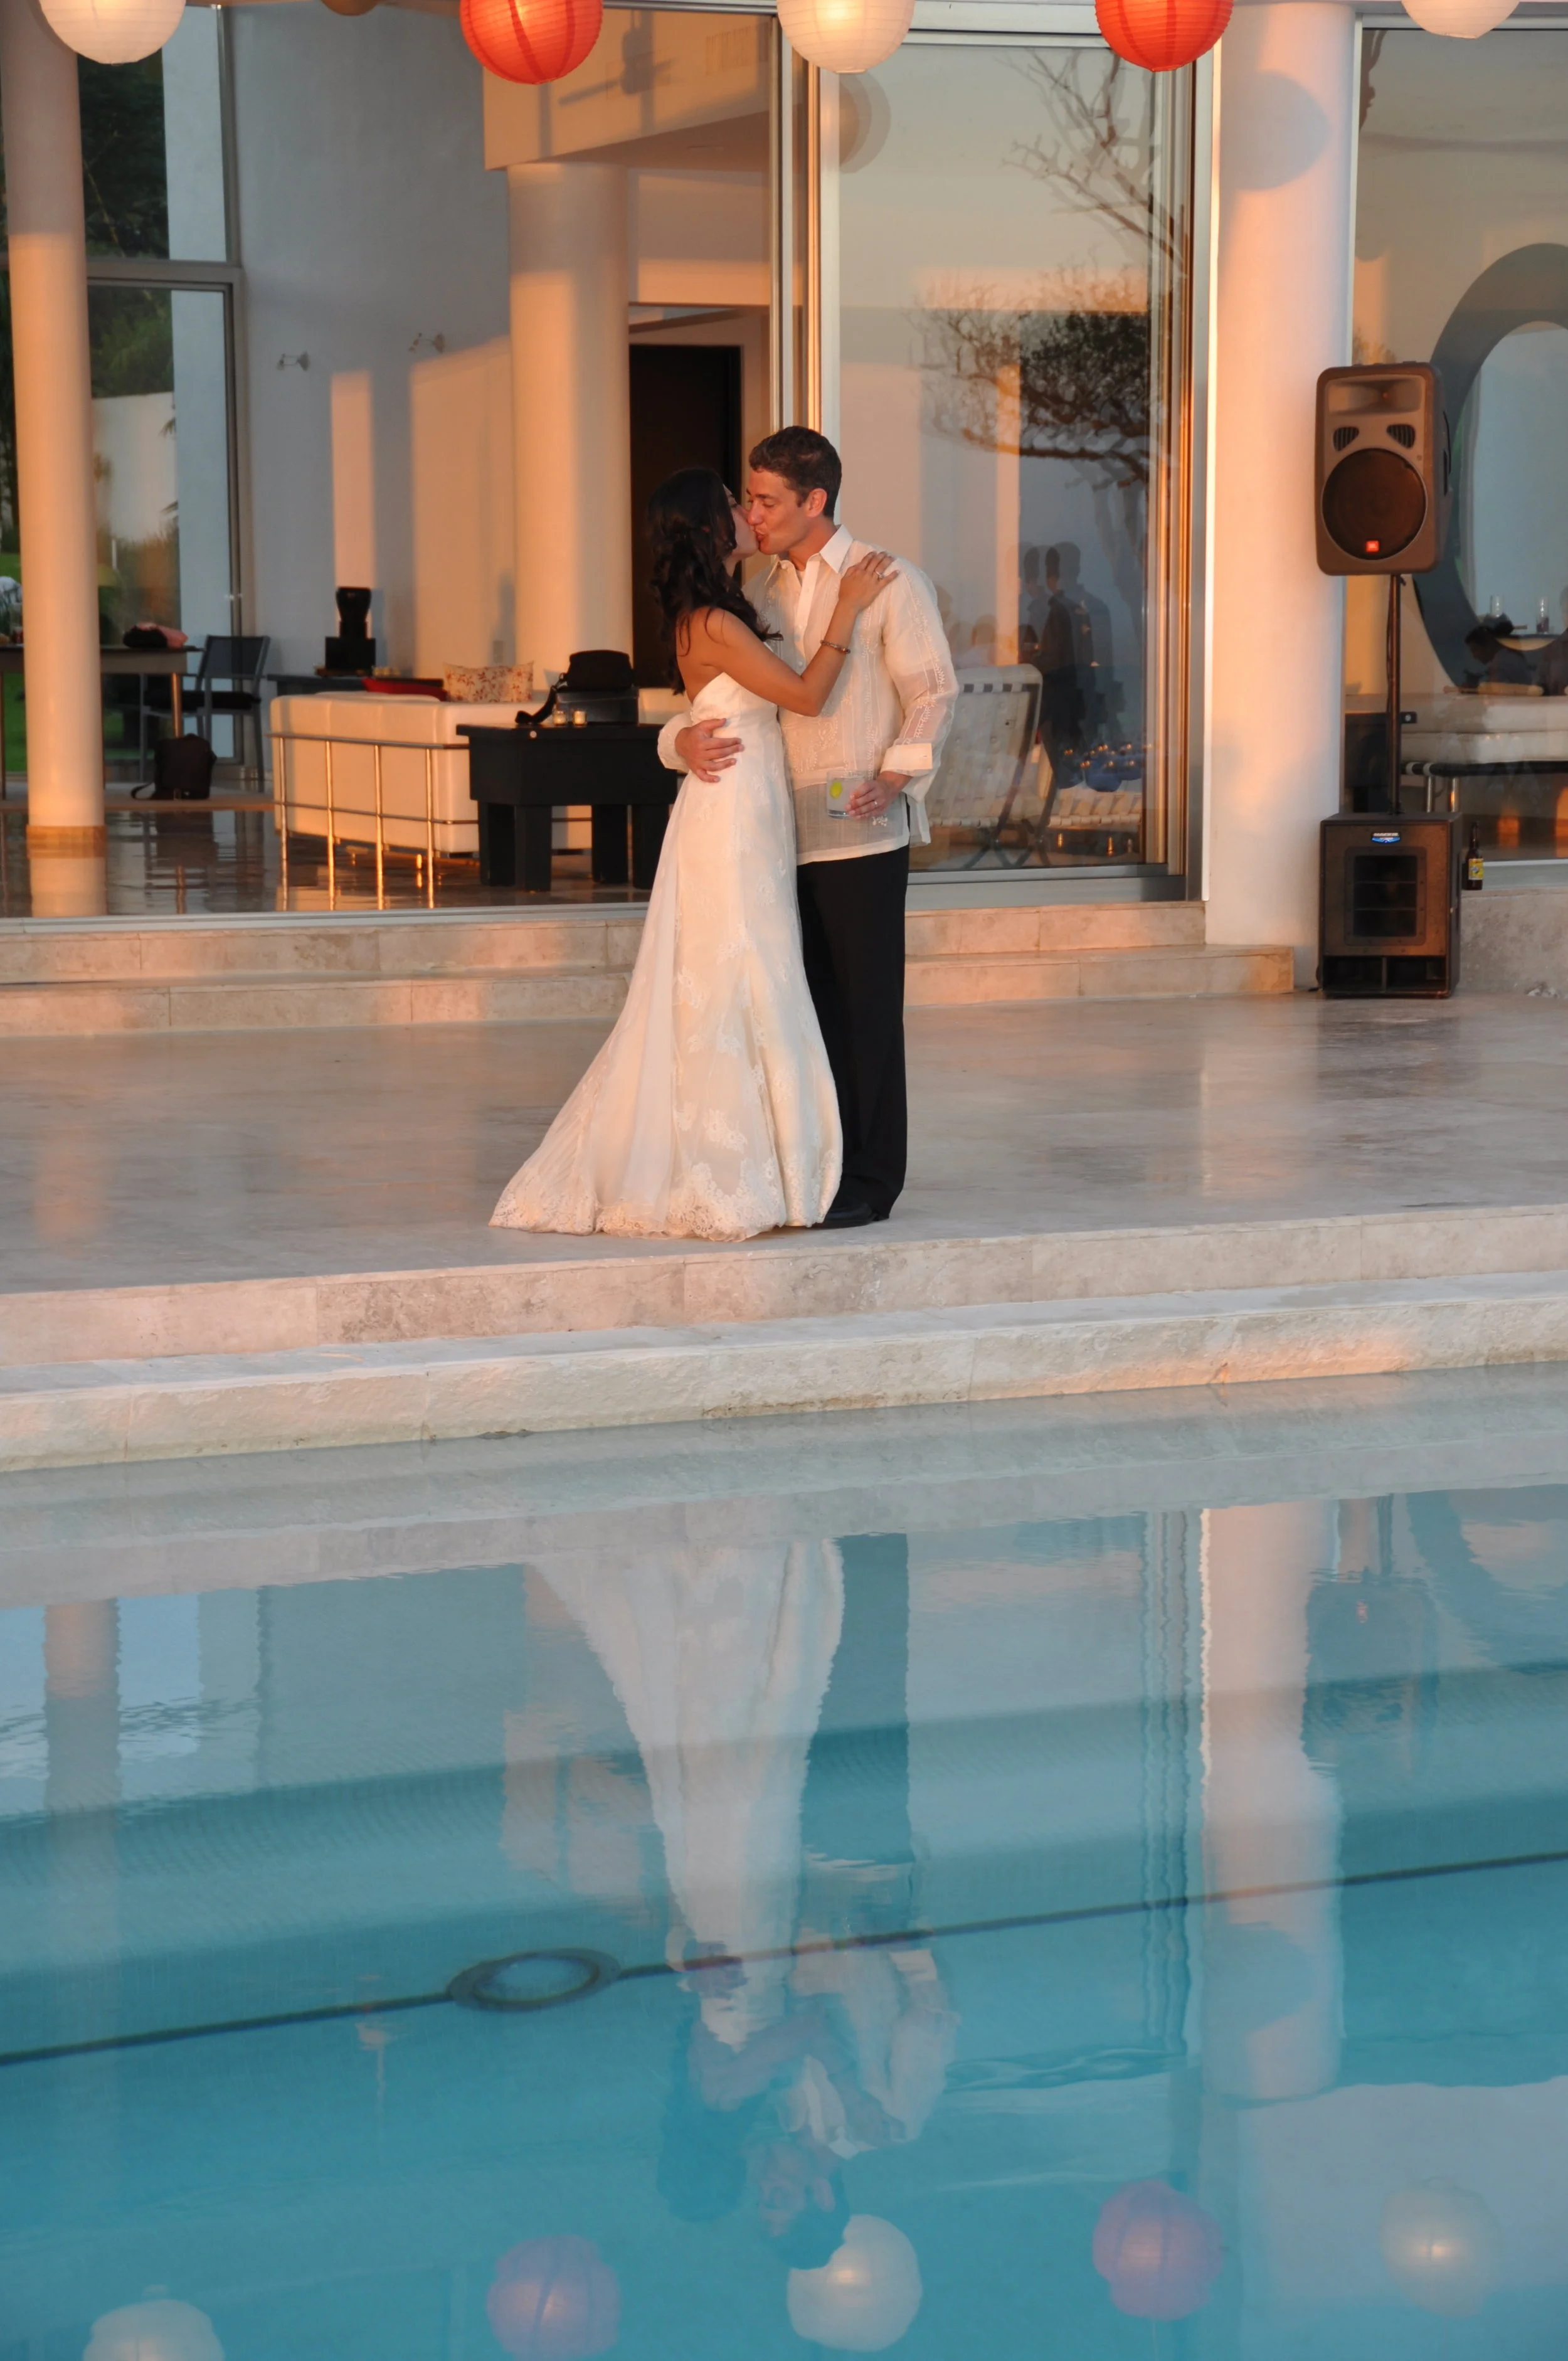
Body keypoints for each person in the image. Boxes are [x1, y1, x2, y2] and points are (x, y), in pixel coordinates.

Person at [490, 469, 894, 1239]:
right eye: (734, 506)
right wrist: (847, 608)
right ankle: (733, 1161)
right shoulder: (711, 620)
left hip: (750, 809)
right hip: (733, 817)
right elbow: (806, 696)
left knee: (747, 970)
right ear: (710, 529)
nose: (748, 513)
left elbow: (704, 710)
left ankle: (770, 1153)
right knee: (741, 970)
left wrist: (677, 739)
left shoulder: (722, 610)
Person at [660, 428, 958, 1230]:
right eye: (749, 500)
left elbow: (933, 691)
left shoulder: (888, 579)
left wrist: (895, 775)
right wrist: (676, 742)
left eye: (764, 500)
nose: (752, 515)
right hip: (766, 834)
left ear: (813, 500)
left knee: (865, 1010)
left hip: (855, 829)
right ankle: (814, 1166)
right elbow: (712, 700)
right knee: (802, 1010)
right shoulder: (752, 592)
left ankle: (870, 1178)